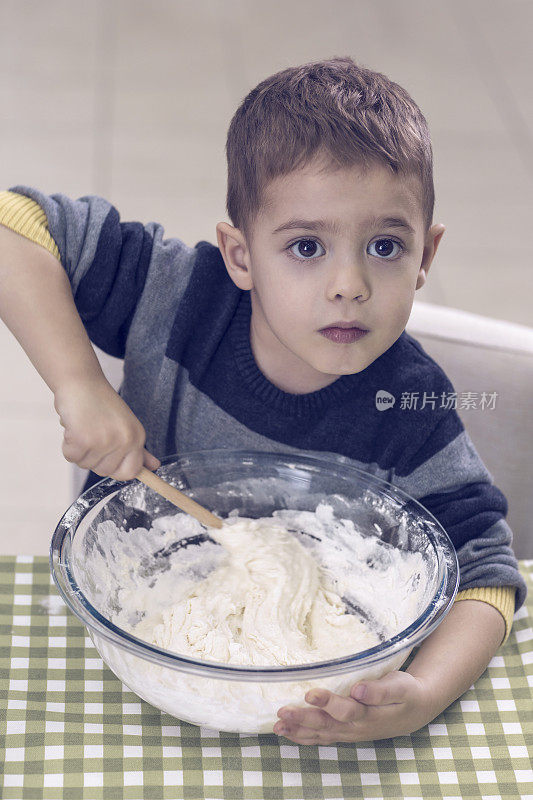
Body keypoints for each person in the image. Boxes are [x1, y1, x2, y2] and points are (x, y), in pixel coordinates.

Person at [0, 56, 526, 746]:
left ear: (424, 257)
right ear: (240, 255)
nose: (348, 284)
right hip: (129, 637)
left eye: (383, 246)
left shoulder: (409, 405)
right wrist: (80, 384)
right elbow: (15, 222)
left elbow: (486, 568)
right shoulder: (178, 299)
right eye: (306, 246)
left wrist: (423, 693)